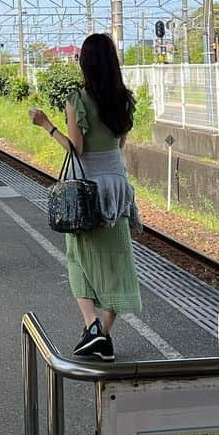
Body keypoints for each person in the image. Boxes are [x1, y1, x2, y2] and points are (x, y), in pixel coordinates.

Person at [29, 33, 141, 361]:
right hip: (117, 189)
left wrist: (46, 125)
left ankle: (92, 325)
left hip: (86, 192)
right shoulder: (125, 99)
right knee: (118, 261)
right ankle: (103, 337)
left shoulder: (77, 99)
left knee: (77, 257)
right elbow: (119, 145)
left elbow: (76, 149)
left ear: (85, 63)